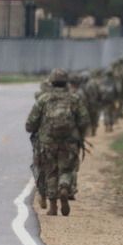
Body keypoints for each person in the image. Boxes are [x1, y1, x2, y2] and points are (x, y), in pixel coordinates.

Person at [25, 69, 90, 217]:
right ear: (66, 82)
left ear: (52, 82)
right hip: (68, 142)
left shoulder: (43, 99)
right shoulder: (74, 99)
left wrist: (37, 129)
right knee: (66, 170)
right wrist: (78, 133)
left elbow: (30, 123)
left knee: (51, 171)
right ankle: (65, 188)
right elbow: (84, 120)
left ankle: (53, 207)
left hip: (47, 143)